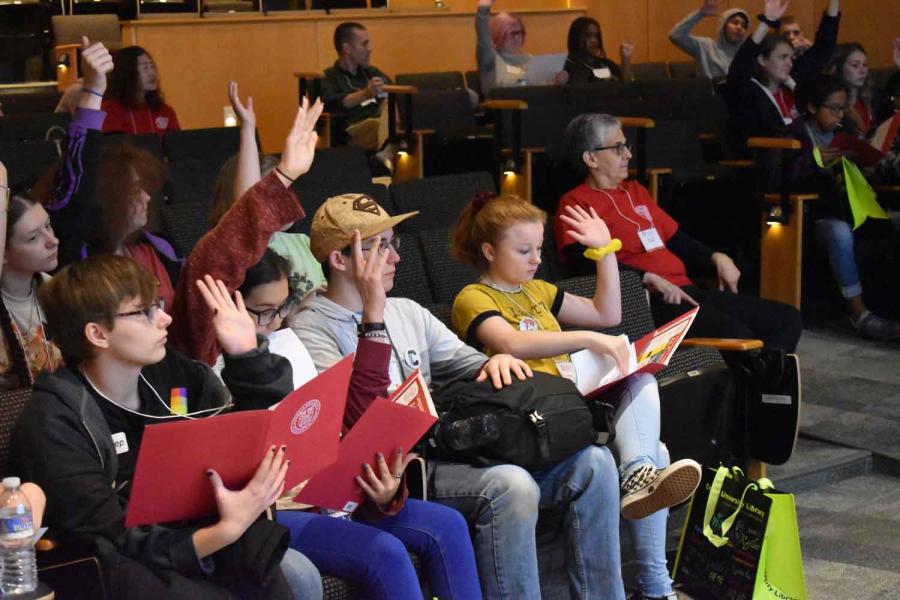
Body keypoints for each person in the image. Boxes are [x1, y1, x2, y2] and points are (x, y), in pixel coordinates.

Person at [292, 193, 628, 599]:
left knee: (593, 461)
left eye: (393, 243)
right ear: (340, 260)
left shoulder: (408, 310)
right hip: (389, 475)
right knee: (511, 485)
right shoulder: (309, 327)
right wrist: (373, 315)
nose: (394, 257)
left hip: (440, 451)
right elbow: (360, 418)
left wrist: (492, 365)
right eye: (376, 247)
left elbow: (470, 363)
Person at [11, 254, 321, 599]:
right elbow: (110, 543)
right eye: (144, 312)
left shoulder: (166, 373)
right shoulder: (55, 421)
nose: (165, 318)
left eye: (158, 304)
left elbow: (243, 437)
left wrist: (245, 356)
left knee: (282, 576)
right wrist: (225, 530)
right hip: (129, 570)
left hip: (196, 541)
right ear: (97, 334)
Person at [450, 193, 702, 600]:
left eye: (539, 248)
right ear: (489, 250)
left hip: (569, 403)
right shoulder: (474, 298)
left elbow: (608, 314)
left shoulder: (537, 289)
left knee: (642, 383)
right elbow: (510, 342)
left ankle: (638, 476)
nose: (536, 259)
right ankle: (656, 582)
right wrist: (588, 339)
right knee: (658, 452)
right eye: (524, 250)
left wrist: (604, 251)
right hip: (532, 417)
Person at [557, 113, 804, 352]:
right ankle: (746, 390)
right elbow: (582, 264)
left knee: (787, 319)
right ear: (591, 158)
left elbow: (676, 239)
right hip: (646, 300)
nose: (628, 154)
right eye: (618, 148)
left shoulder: (635, 191)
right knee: (737, 333)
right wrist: (645, 278)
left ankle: (762, 392)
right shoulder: (576, 203)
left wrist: (716, 257)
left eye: (626, 146)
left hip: (685, 288)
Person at [170, 94, 323, 366]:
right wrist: (284, 174)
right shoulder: (205, 344)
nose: (275, 323)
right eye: (264, 312)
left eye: (280, 309)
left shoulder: (281, 344)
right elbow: (230, 242)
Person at [0, 37, 113, 389]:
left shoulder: (59, 288)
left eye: (47, 227)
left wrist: (94, 90)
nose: (53, 240)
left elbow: (76, 182)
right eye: (33, 238)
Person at [786, 75, 900, 340]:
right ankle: (860, 314)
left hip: (853, 206)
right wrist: (816, 159)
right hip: (818, 213)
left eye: (842, 108)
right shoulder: (795, 133)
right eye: (833, 108)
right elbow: (784, 176)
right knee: (839, 233)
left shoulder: (843, 131)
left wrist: (868, 159)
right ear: (813, 107)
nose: (839, 114)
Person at [207, 82, 325, 299]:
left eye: (288, 189)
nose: (286, 198)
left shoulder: (303, 242)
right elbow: (247, 214)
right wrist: (248, 130)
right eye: (276, 189)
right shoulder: (231, 248)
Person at [724, 0, 840, 142]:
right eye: (783, 57)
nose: (789, 63)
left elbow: (825, 45)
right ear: (763, 60)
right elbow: (741, 64)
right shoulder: (747, 91)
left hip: (805, 158)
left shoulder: (792, 85)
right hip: (769, 159)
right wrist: (767, 22)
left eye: (791, 58)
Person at [320, 22, 393, 162]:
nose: (369, 49)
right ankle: (388, 152)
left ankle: (387, 152)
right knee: (382, 124)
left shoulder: (371, 72)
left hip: (380, 119)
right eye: (364, 44)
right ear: (347, 48)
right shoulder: (329, 77)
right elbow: (332, 103)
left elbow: (395, 93)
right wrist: (367, 93)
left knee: (392, 106)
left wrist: (386, 94)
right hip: (354, 127)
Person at [101, 47, 179, 137]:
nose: (152, 73)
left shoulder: (165, 111)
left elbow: (176, 146)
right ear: (128, 73)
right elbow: (113, 146)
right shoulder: (110, 109)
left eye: (152, 66)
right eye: (145, 68)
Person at [668, 0, 750, 80]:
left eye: (744, 26)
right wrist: (700, 13)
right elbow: (675, 35)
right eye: (734, 22)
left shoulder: (746, 54)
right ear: (723, 26)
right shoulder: (705, 46)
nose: (739, 27)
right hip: (709, 92)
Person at [475, 0, 532, 94]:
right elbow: (483, 36)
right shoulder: (490, 58)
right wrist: (483, 9)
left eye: (519, 33)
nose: (516, 37)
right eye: (510, 33)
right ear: (497, 35)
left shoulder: (529, 59)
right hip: (502, 105)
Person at [562, 17, 634, 84]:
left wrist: (626, 59)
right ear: (576, 38)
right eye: (588, 36)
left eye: (596, 36)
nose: (594, 40)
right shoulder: (569, 66)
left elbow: (628, 87)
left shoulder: (605, 63)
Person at [824, 43, 875, 137]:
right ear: (838, 68)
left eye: (865, 65)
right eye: (855, 65)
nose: (862, 71)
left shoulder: (869, 98)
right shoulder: (833, 105)